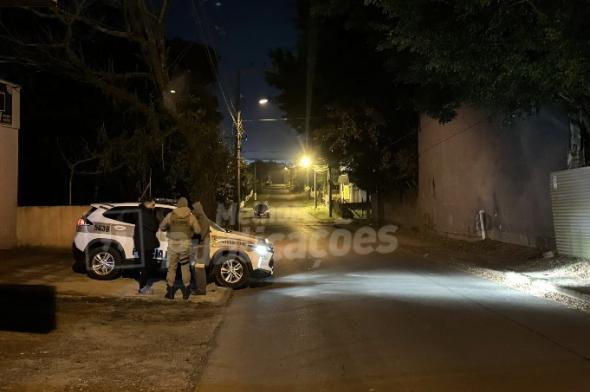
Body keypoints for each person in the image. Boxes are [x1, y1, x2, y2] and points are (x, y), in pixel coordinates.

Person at [159, 197, 200, 300]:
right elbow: (198, 230)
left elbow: (162, 227)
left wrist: (168, 228)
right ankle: (186, 292)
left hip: (173, 244)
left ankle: (170, 292)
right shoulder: (191, 217)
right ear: (186, 205)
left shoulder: (170, 215)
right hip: (185, 245)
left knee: (172, 268)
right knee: (185, 267)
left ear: (177, 204)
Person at [133, 198, 160, 295]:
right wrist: (154, 215)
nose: (154, 207)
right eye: (153, 205)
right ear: (147, 204)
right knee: (146, 266)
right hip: (144, 244)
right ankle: (142, 288)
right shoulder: (144, 214)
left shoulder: (144, 212)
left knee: (147, 265)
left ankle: (144, 285)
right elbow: (154, 226)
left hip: (146, 243)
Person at [191, 201, 211, 293]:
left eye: (193, 210)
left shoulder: (202, 220)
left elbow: (200, 235)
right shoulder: (201, 218)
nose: (192, 212)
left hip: (201, 248)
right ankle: (199, 288)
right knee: (198, 268)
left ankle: (201, 289)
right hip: (201, 247)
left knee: (199, 269)